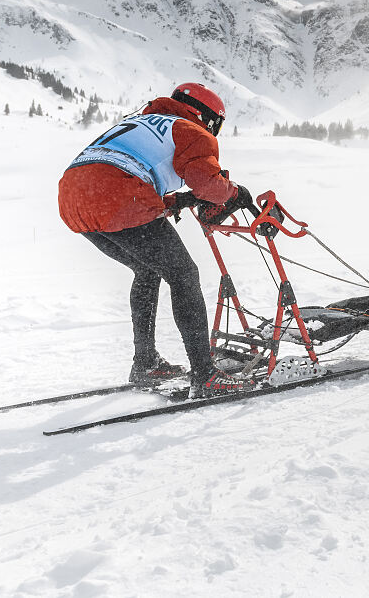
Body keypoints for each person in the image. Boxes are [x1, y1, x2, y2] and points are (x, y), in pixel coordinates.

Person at [57, 82, 254, 398]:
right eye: (215, 124)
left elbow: (127, 168)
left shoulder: (141, 123)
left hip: (74, 196)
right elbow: (208, 185)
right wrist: (233, 192)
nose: (214, 131)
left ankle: (146, 363)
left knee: (148, 270)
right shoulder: (191, 130)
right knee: (184, 275)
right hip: (115, 195)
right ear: (203, 116)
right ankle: (205, 375)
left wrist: (176, 201)